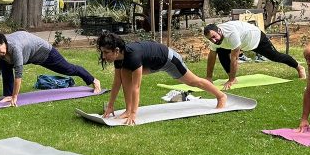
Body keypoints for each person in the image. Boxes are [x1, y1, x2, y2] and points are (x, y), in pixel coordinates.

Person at [96, 31, 226, 125]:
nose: (104, 56)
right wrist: (110, 106)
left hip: (168, 59)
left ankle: (221, 96)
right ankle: (128, 110)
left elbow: (136, 87)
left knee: (193, 81)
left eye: (106, 52)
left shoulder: (132, 57)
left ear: (116, 50)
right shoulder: (119, 58)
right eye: (103, 52)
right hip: (153, 63)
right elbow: (117, 83)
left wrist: (135, 114)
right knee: (125, 79)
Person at [0, 31, 101, 106]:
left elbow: (18, 73)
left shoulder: (14, 48)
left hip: (43, 53)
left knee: (68, 69)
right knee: (3, 66)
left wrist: (15, 97)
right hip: (28, 53)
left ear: (3, 42)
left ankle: (93, 80)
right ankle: (8, 95)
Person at [203, 21, 306, 88]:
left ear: (219, 31)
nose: (213, 40)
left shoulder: (231, 34)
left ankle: (299, 67)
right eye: (210, 39)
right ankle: (232, 77)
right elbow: (211, 56)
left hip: (256, 39)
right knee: (221, 52)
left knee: (275, 56)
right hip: (243, 42)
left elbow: (234, 58)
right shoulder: (213, 39)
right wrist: (208, 77)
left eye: (214, 36)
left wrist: (231, 80)